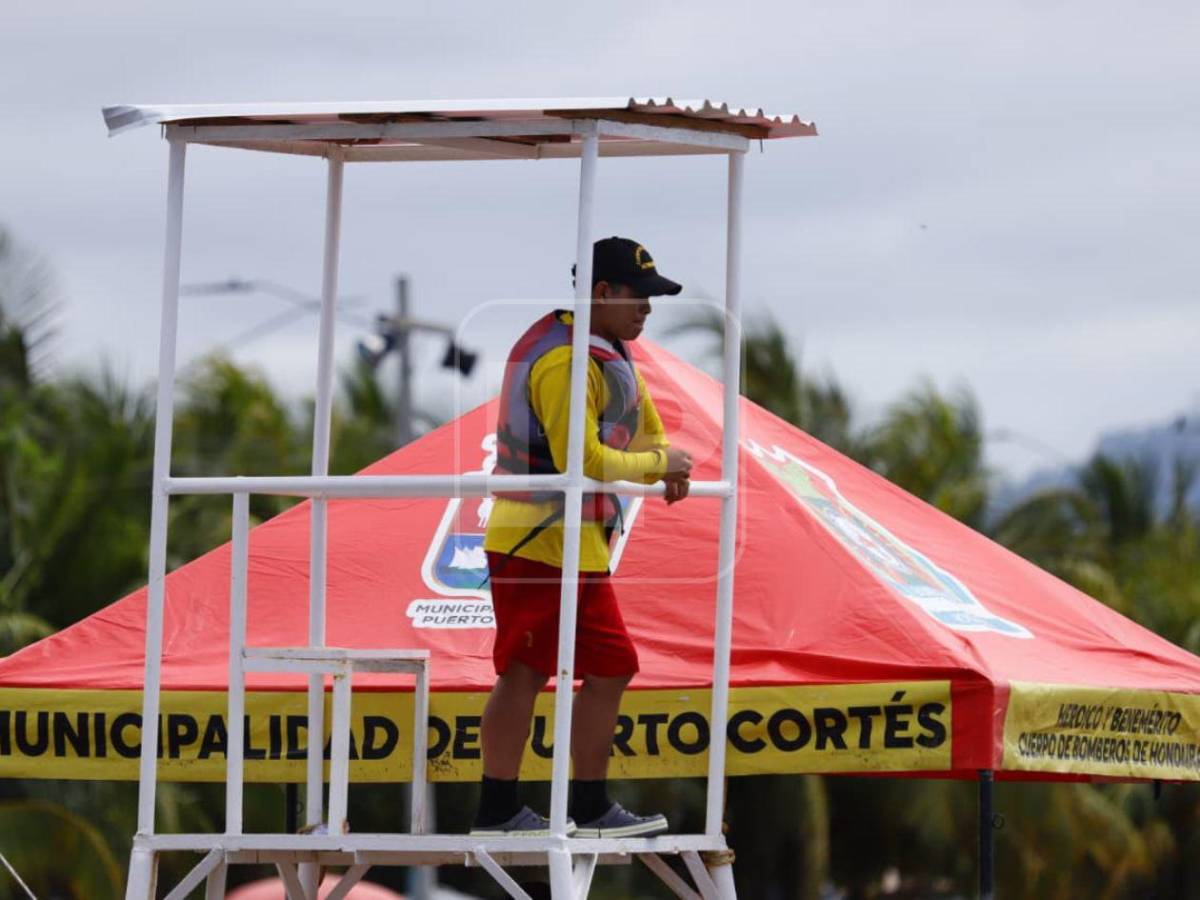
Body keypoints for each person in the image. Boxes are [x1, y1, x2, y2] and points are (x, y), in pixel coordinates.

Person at [470, 237, 693, 839]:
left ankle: (590, 805)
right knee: (524, 669)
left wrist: (660, 459)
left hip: (579, 542)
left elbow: (650, 435)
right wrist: (660, 465)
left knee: (613, 665)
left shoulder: (606, 350)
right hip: (534, 538)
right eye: (639, 295)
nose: (648, 307)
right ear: (602, 294)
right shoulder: (566, 360)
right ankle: (497, 809)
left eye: (653, 296)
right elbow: (586, 459)